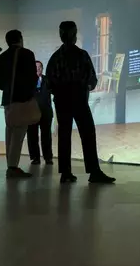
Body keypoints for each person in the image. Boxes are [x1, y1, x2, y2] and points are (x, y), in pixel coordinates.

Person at [45, 21, 115, 184]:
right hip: (79, 100)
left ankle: (66, 173)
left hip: (62, 102)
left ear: (61, 35)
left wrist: (60, 91)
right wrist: (84, 87)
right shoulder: (81, 55)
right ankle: (94, 171)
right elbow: (92, 78)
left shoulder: (55, 58)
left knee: (64, 136)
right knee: (88, 134)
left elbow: (49, 83)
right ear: (75, 35)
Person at [0, 30, 37, 178]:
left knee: (10, 132)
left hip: (7, 99)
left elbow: (0, 84)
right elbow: (33, 78)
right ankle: (13, 167)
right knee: (18, 134)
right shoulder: (27, 54)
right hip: (22, 99)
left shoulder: (2, 57)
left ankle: (10, 165)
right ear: (20, 39)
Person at [27, 60, 54, 165]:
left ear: (42, 69)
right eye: (35, 67)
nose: (38, 69)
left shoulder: (47, 80)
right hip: (32, 112)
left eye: (40, 67)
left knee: (46, 135)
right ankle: (35, 158)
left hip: (46, 112)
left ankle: (48, 158)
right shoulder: (28, 81)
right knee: (32, 135)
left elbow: (54, 90)